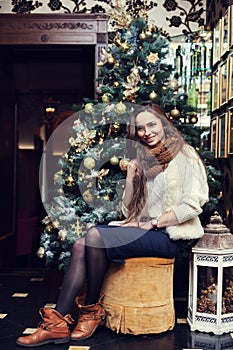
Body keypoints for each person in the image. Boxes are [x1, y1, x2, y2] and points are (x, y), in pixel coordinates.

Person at [16, 103, 209, 347]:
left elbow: (194, 204)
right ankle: (58, 324)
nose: (146, 132)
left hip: (168, 235)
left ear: (164, 125)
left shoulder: (185, 155)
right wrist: (131, 178)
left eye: (152, 125)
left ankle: (88, 313)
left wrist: (155, 222)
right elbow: (129, 210)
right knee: (80, 244)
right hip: (142, 229)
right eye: (140, 128)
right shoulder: (144, 159)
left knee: (95, 235)